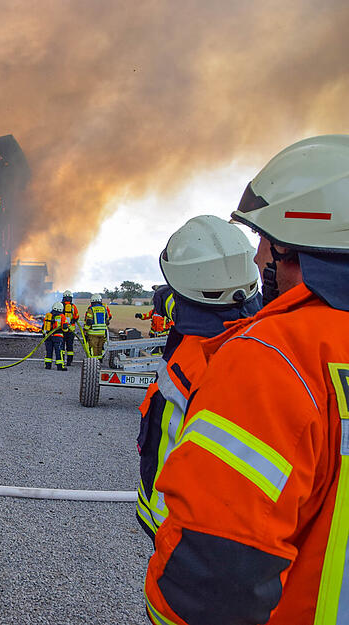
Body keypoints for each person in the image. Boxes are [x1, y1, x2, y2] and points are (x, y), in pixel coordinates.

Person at [143, 135, 349, 624]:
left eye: (264, 241)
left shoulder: (274, 358)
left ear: (292, 245)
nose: (257, 260)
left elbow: (215, 578)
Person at [135, 215, 261, 541]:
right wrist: (167, 298)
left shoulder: (197, 365)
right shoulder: (263, 325)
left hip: (183, 537)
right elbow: (190, 306)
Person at [83, 293, 112, 358]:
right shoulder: (104, 309)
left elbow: (89, 322)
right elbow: (107, 321)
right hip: (102, 333)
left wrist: (85, 330)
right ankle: (100, 359)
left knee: (94, 348)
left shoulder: (91, 309)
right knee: (100, 347)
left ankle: (94, 362)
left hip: (93, 333)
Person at [42, 302, 69, 370]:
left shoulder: (48, 315)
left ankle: (48, 365)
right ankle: (60, 366)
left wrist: (44, 335)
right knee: (58, 351)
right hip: (58, 336)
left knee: (49, 351)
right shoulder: (62, 316)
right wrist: (65, 329)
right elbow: (65, 329)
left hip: (48, 336)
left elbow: (43, 327)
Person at [60, 290, 79, 365]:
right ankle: (69, 362)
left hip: (61, 330)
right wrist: (73, 320)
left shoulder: (60, 306)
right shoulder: (73, 307)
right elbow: (76, 317)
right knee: (70, 347)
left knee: (61, 346)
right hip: (71, 330)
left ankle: (61, 360)